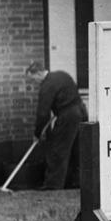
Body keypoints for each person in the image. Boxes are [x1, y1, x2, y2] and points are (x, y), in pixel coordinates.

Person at [26, 62, 88, 190]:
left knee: (57, 150)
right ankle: (76, 182)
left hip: (68, 116)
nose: (34, 83)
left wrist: (37, 134)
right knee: (76, 150)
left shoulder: (46, 86)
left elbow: (43, 114)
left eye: (33, 80)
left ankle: (52, 185)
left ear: (38, 73)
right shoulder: (61, 75)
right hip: (81, 112)